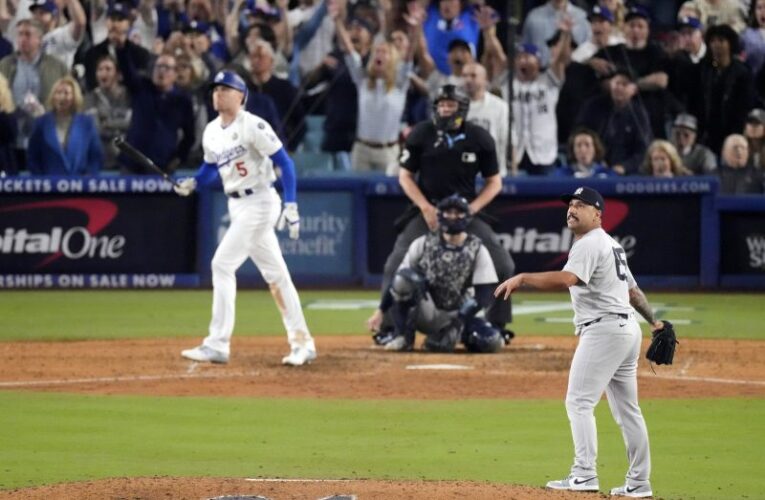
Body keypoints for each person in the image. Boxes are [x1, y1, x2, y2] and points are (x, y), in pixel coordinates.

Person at [495, 186, 660, 498]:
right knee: (628, 411)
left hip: (605, 331)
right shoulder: (613, 245)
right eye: (570, 204)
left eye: (581, 205)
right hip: (627, 330)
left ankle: (584, 475)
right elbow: (633, 293)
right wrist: (654, 321)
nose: (571, 209)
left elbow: (568, 279)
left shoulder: (588, 243)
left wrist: (523, 277)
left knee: (578, 401)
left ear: (597, 214)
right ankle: (639, 483)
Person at [174, 70, 317, 367]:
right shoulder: (212, 130)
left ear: (241, 95)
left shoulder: (253, 125)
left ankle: (217, 344)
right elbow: (210, 167)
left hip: (261, 202)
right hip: (237, 204)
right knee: (277, 275)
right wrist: (194, 182)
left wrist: (291, 204)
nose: (218, 94)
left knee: (221, 264)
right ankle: (303, 343)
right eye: (216, 89)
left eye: (226, 89)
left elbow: (285, 163)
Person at [376, 83, 515, 336]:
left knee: (503, 263)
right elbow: (405, 176)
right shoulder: (421, 133)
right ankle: (388, 326)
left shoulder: (480, 138)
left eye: (449, 105)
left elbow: (495, 182)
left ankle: (497, 324)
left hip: (465, 213)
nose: (444, 109)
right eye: (440, 105)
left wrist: (472, 209)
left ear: (462, 108)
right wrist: (425, 206)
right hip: (428, 212)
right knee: (395, 263)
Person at [367, 194, 504, 353]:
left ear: (467, 216)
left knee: (490, 342)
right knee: (405, 279)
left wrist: (458, 323)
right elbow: (398, 281)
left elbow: (484, 294)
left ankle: (452, 338)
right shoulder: (422, 243)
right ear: (440, 215)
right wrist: (381, 311)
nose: (453, 217)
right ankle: (403, 336)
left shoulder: (477, 248)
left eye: (458, 213)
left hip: (461, 312)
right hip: (427, 310)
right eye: (449, 212)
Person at [27, 76, 103, 175]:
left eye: (66, 93)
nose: (62, 97)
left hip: (80, 185)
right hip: (49, 185)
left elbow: (95, 157)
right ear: (53, 96)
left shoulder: (87, 123)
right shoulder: (41, 123)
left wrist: (87, 180)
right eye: (58, 93)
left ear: (74, 97)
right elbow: (33, 157)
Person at [83, 54, 132, 170]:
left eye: (108, 69)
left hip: (126, 161)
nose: (103, 73)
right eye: (100, 69)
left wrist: (107, 123)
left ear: (118, 75)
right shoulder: (90, 98)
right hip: (100, 160)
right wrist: (119, 125)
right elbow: (96, 128)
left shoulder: (129, 96)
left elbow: (132, 125)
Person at [463, 61, 509, 176]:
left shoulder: (500, 106)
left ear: (484, 79)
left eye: (473, 76)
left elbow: (506, 139)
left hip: (493, 172)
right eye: (464, 76)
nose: (468, 80)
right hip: (464, 173)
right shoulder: (456, 107)